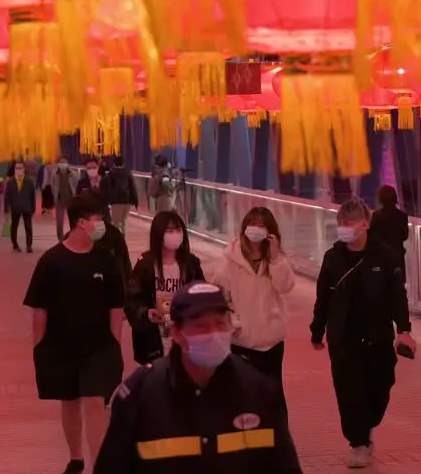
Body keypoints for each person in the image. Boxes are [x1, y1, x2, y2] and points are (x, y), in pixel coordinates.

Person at [95, 282, 302, 473]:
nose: (213, 334)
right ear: (176, 332)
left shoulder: (259, 390)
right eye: (201, 326)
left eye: (221, 324)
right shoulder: (141, 395)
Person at [24, 193, 127, 474]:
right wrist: (39, 348)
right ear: (81, 223)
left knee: (95, 402)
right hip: (61, 346)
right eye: (98, 219)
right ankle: (76, 456)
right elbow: (39, 308)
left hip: (99, 347)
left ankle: (100, 465)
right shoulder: (52, 261)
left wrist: (114, 343)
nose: (102, 224)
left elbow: (117, 305)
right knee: (69, 402)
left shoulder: (106, 259)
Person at [310, 198, 415, 469]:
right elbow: (323, 297)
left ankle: (366, 427)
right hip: (343, 339)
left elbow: (397, 296)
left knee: (380, 389)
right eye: (341, 223)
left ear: (365, 224)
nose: (345, 227)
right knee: (350, 393)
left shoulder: (385, 255)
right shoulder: (333, 259)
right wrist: (316, 330)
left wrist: (403, 330)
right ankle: (358, 443)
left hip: (377, 337)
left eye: (350, 222)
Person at [211, 207, 296, 384]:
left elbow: (285, 287)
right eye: (252, 224)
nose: (256, 228)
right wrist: (234, 323)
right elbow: (218, 297)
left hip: (271, 343)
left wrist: (275, 259)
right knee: (244, 396)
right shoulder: (230, 260)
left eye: (261, 225)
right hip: (241, 342)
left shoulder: (275, 259)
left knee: (272, 398)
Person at [127, 211, 205, 365]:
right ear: (158, 234)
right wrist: (147, 313)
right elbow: (131, 300)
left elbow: (202, 295)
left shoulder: (190, 264)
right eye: (169, 231)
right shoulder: (145, 264)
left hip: (184, 336)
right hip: (153, 339)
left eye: (178, 230)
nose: (175, 235)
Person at [5, 160, 38, 253]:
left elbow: (32, 196)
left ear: (24, 169)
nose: (19, 170)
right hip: (15, 208)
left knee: (28, 227)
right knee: (14, 227)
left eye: (20, 168)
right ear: (14, 169)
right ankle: (15, 245)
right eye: (17, 168)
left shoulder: (29, 181)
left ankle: (29, 246)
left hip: (27, 208)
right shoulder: (10, 182)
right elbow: (6, 196)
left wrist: (33, 208)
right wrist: (6, 209)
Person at [368, 185, 409, 258]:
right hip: (397, 254)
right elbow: (405, 236)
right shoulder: (402, 215)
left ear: (380, 198)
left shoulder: (376, 215)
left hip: (380, 255)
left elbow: (371, 235)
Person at [101, 155, 139, 233]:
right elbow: (133, 187)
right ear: (123, 163)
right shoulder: (128, 173)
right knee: (123, 222)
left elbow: (108, 187)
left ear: (114, 163)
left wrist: (107, 199)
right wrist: (135, 201)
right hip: (126, 201)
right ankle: (123, 237)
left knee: (116, 223)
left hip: (116, 201)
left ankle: (117, 239)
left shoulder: (112, 173)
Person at [53, 157, 77, 242]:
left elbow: (76, 186)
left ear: (67, 164)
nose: (62, 164)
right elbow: (52, 187)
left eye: (64, 162)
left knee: (73, 221)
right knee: (59, 222)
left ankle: (73, 237)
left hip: (70, 200)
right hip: (59, 201)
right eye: (61, 162)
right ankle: (61, 239)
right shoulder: (54, 174)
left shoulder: (73, 174)